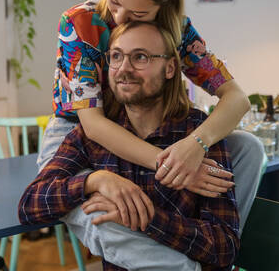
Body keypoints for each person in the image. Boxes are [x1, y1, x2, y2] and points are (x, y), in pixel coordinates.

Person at [40, 0, 264, 230]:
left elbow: (237, 99)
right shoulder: (79, 22)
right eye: (115, 1)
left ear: (165, 3)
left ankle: (225, 242)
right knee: (107, 216)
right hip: (79, 134)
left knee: (248, 148)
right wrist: (173, 166)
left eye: (137, 14)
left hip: (149, 134)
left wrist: (195, 145)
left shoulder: (178, 30)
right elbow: (93, 125)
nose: (119, 18)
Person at [20, 21, 239, 270]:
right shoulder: (93, 136)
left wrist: (147, 218)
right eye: (116, 56)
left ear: (169, 68)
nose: (124, 69)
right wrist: (96, 181)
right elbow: (30, 204)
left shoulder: (200, 135)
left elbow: (225, 248)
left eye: (140, 57)